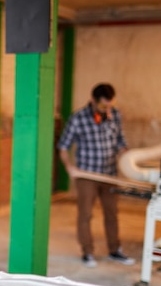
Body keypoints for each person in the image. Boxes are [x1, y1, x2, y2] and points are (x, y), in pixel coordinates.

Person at [57, 83, 135, 268]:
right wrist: (69, 167)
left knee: (112, 213)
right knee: (85, 214)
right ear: (93, 101)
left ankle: (115, 250)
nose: (107, 109)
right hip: (87, 175)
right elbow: (63, 146)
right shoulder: (78, 118)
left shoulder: (115, 114)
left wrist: (127, 156)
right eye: (103, 106)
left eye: (110, 105)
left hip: (109, 174)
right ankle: (87, 252)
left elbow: (120, 141)